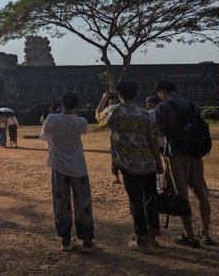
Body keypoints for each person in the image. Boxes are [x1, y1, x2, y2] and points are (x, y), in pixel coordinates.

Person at [96, 81, 163, 252]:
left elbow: (98, 118)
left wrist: (104, 100)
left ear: (119, 94)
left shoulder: (114, 111)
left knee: (136, 201)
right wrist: (159, 162)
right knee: (150, 199)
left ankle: (141, 239)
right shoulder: (144, 113)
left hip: (128, 164)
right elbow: (153, 139)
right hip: (148, 162)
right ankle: (153, 236)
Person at [154, 80, 214, 247]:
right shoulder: (191, 104)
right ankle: (206, 233)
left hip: (176, 154)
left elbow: (160, 131)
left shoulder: (162, 108)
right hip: (195, 154)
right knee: (201, 193)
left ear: (161, 92)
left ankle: (189, 236)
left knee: (182, 195)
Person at [39, 91, 97, 253]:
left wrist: (55, 113)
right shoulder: (81, 121)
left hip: (59, 167)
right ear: (76, 105)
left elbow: (45, 136)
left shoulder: (52, 119)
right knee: (83, 203)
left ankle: (65, 240)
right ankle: (87, 240)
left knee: (61, 203)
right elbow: (79, 124)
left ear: (62, 104)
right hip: (78, 167)